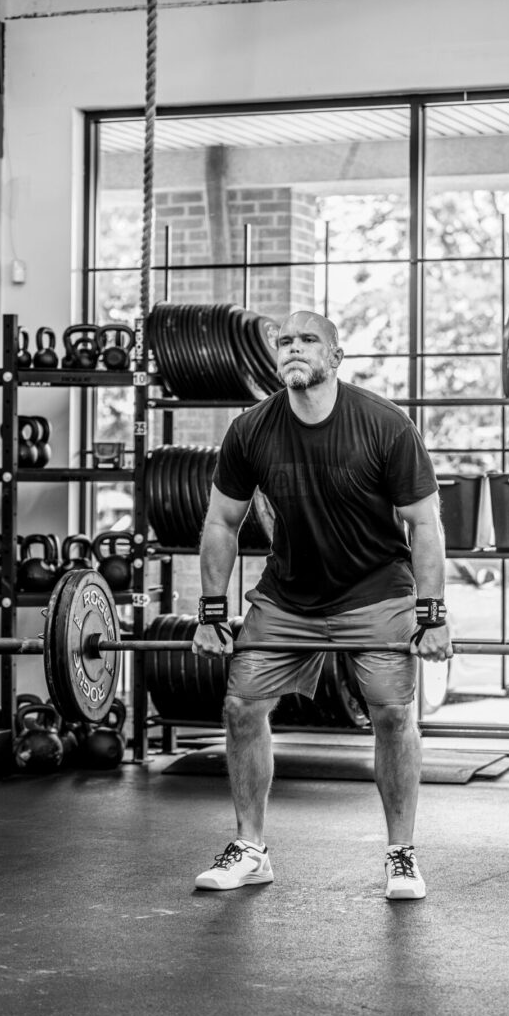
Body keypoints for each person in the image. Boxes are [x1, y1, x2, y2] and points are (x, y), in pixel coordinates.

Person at [191, 310, 453, 900]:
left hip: (375, 589)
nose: (293, 349)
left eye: (308, 340)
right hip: (290, 595)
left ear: (335, 356)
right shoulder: (251, 429)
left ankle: (401, 855)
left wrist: (433, 615)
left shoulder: (385, 424)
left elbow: (425, 525)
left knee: (391, 715)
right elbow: (222, 521)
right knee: (240, 706)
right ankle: (251, 848)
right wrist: (210, 610)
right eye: (283, 341)